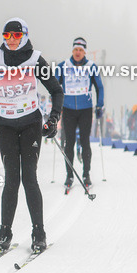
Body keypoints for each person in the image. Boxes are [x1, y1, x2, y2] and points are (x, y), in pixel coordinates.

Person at [0, 18, 63, 253]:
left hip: (31, 124)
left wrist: (53, 119)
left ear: (24, 36)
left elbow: (56, 90)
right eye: (7, 35)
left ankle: (39, 233)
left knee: (29, 178)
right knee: (11, 179)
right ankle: (5, 233)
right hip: (6, 126)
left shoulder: (35, 59)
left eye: (16, 35)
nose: (11, 40)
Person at [53, 37, 104, 190]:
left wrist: (99, 105)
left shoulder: (91, 66)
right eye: (75, 49)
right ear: (72, 50)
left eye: (81, 50)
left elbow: (99, 87)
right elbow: (54, 87)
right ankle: (69, 175)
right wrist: (55, 105)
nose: (78, 52)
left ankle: (86, 174)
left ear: (84, 52)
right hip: (68, 109)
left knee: (85, 141)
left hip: (85, 110)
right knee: (69, 143)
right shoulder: (63, 66)